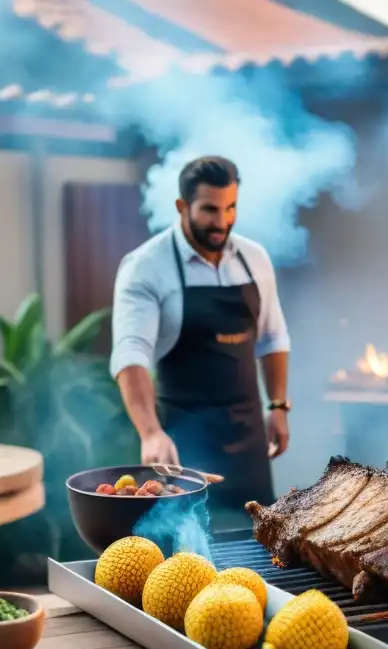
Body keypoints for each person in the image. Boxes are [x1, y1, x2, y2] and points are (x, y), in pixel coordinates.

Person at [110, 155, 291, 533]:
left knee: (259, 543)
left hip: (248, 436)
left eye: (231, 208)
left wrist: (277, 406)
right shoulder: (146, 265)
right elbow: (130, 355)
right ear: (181, 206)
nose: (222, 222)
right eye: (210, 209)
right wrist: (150, 432)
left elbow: (273, 336)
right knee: (188, 552)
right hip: (183, 441)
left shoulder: (254, 259)